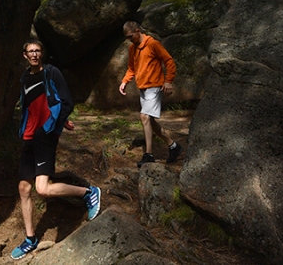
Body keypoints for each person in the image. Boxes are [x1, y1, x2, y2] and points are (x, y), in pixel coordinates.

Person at [11, 40, 101, 260]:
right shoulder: (24, 78)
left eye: (37, 51)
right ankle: (30, 239)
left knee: (42, 189)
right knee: (24, 188)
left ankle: (89, 192)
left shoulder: (51, 73)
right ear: (25, 55)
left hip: (45, 135)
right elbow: (29, 106)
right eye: (30, 51)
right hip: (29, 136)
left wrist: (55, 124)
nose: (34, 54)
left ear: (42, 53)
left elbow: (66, 101)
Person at [118, 21, 182, 167]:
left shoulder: (153, 44)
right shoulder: (132, 49)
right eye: (127, 38)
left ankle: (148, 154)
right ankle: (173, 146)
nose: (130, 39)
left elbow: (169, 61)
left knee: (144, 116)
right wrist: (124, 81)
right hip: (143, 88)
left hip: (155, 87)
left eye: (131, 36)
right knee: (150, 122)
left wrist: (168, 81)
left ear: (137, 30)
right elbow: (131, 68)